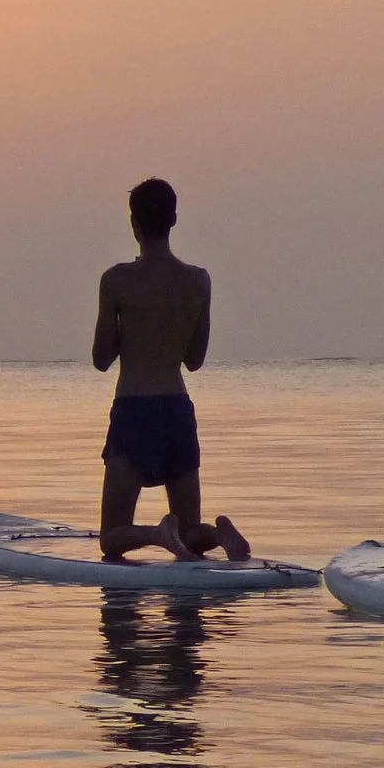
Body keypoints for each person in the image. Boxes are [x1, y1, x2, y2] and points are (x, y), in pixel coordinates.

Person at [91, 179, 251, 562]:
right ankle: (217, 533)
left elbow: (101, 358)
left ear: (134, 223)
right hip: (177, 409)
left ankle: (157, 533)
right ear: (174, 219)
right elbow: (194, 360)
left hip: (135, 410)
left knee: (111, 537)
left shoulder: (116, 280)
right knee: (191, 531)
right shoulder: (198, 281)